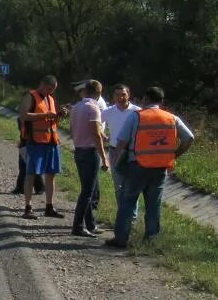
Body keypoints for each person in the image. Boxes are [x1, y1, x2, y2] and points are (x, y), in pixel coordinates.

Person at [105, 86, 194, 248]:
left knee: (128, 201)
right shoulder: (171, 118)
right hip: (160, 168)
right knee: (153, 204)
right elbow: (189, 138)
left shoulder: (136, 117)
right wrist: (174, 155)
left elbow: (122, 142)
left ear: (145, 99)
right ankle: (151, 240)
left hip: (137, 166)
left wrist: (115, 162)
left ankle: (121, 239)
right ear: (161, 101)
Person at [19, 74, 64, 219]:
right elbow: (24, 116)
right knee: (31, 174)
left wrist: (59, 115)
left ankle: (49, 207)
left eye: (53, 90)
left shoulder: (50, 99)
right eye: (49, 88)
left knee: (51, 174)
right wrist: (44, 116)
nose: (50, 92)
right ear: (42, 84)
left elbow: (51, 118)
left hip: (51, 142)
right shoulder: (30, 96)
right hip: (35, 142)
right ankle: (28, 208)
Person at [69, 80, 110, 235]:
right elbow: (95, 135)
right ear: (99, 93)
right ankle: (77, 226)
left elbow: (73, 130)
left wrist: (100, 134)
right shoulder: (94, 108)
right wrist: (104, 157)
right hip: (90, 152)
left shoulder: (76, 107)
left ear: (85, 91)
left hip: (78, 150)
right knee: (88, 192)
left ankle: (90, 224)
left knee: (86, 190)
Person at [102, 84, 141, 226]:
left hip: (132, 152)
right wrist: (103, 135)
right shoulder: (109, 111)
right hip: (114, 151)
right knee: (118, 186)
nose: (120, 97)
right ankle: (122, 216)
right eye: (117, 94)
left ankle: (133, 219)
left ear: (128, 95)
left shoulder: (137, 111)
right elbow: (95, 124)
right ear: (113, 96)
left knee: (132, 185)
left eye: (123, 94)